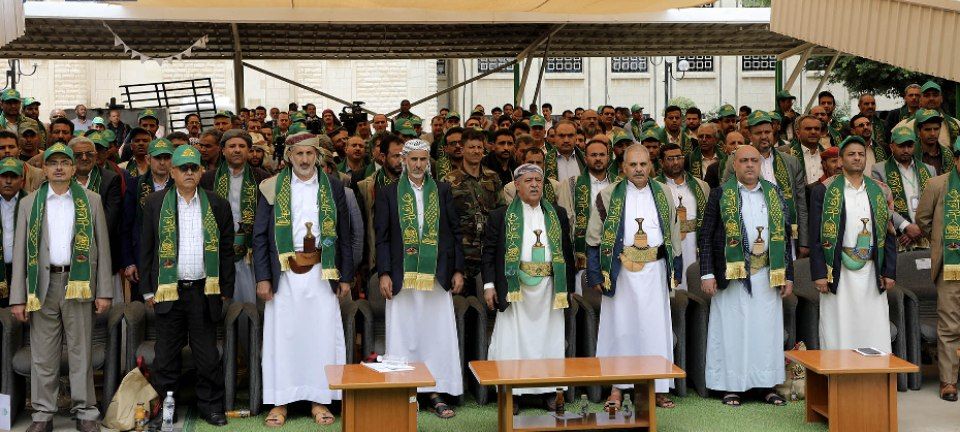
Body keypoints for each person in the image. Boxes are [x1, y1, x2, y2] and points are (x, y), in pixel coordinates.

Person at [252, 131, 354, 427]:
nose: (305, 159)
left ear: (317, 156)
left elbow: (344, 233)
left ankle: (320, 400)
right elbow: (260, 236)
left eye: (310, 154)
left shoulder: (333, 186)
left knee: (321, 337)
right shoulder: (271, 186)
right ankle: (280, 401)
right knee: (283, 339)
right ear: (289, 156)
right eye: (299, 154)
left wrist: (345, 276)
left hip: (323, 272)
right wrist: (263, 277)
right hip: (284, 275)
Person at [10, 143, 113, 432]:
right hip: (41, 286)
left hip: (79, 283)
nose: (58, 167)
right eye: (52, 162)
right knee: (43, 354)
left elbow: (103, 247)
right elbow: (20, 253)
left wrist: (104, 291)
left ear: (73, 168)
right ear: (43, 168)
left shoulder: (91, 200)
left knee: (81, 350)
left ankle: (85, 411)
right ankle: (43, 414)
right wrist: (18, 297)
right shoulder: (29, 203)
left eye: (64, 163)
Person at [139, 144, 235, 427]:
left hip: (204, 291)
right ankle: (165, 409)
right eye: (184, 168)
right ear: (173, 172)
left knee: (207, 355)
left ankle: (211, 407)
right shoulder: (155, 203)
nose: (189, 172)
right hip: (169, 290)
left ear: (202, 171)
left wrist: (225, 289)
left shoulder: (217, 204)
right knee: (166, 357)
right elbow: (147, 249)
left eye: (194, 167)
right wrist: (147, 290)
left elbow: (226, 250)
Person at [585, 144, 683, 409]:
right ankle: (617, 388)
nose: (639, 169)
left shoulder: (664, 192)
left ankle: (657, 387)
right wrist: (595, 273)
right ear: (623, 167)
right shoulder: (608, 195)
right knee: (621, 329)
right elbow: (593, 238)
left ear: (651, 166)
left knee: (654, 329)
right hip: (620, 273)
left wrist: (676, 268)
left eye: (643, 164)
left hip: (655, 271)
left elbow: (674, 234)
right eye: (633, 165)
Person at [375, 138, 464, 419]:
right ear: (403, 161)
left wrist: (458, 269)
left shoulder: (443, 190)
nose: (417, 164)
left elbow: (454, 233)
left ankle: (436, 391)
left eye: (423, 159)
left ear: (429, 162)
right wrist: (384, 273)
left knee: (436, 334)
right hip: (401, 277)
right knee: (404, 334)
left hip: (436, 276)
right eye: (413, 159)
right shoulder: (388, 193)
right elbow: (382, 237)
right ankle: (405, 389)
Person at [698, 145, 793, 407]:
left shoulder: (773, 193)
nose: (749, 165)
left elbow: (785, 237)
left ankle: (765, 386)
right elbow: (706, 235)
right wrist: (707, 273)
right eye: (744, 161)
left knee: (765, 332)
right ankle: (731, 386)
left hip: (767, 274)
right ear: (734, 165)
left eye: (754, 160)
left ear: (760, 164)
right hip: (732, 274)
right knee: (732, 331)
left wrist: (788, 275)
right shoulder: (720, 194)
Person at [482, 163, 574, 413]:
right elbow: (489, 253)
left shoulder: (557, 214)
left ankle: (549, 391)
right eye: (528, 181)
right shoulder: (500, 216)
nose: (534, 185)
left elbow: (566, 252)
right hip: (515, 289)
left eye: (538, 180)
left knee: (549, 340)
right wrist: (489, 285)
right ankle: (512, 392)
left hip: (549, 290)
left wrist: (568, 288)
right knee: (512, 341)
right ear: (516, 185)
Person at [810, 135, 896, 352]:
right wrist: (819, 273)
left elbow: (889, 233)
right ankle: (840, 370)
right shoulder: (824, 190)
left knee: (873, 327)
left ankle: (874, 371)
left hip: (871, 272)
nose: (857, 158)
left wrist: (889, 271)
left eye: (861, 154)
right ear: (840, 160)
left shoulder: (880, 190)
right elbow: (816, 236)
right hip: (839, 271)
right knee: (839, 327)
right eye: (851, 154)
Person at [724, 111, 808, 259]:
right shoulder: (735, 161)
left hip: (785, 235)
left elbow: (801, 204)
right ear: (749, 135)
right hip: (750, 235)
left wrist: (804, 242)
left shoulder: (791, 162)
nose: (764, 136)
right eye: (758, 133)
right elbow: (727, 197)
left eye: (767, 132)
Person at [200, 130, 270, 304]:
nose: (237, 150)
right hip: (218, 250)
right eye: (232, 146)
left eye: (242, 146)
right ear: (223, 150)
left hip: (251, 252)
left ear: (249, 150)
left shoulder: (263, 178)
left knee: (252, 305)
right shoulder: (207, 179)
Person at [915, 136, 960, 401]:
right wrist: (942, 242)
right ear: (955, 159)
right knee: (950, 325)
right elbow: (923, 219)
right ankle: (948, 381)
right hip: (951, 266)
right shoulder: (937, 184)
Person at [444, 128, 502, 291]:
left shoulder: (493, 178)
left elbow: (501, 212)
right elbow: (446, 222)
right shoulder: (449, 181)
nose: (476, 151)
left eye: (479, 147)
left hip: (489, 252)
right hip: (463, 253)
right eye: (471, 147)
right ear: (462, 149)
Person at [120, 138, 175, 300]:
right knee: (143, 308)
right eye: (158, 158)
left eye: (167, 157)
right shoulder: (134, 185)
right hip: (141, 259)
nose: (162, 162)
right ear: (148, 159)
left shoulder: (179, 186)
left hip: (174, 258)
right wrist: (129, 262)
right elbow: (125, 227)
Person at [871, 126, 935, 251]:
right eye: (901, 146)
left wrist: (921, 229)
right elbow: (879, 205)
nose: (906, 150)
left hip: (926, 236)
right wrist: (905, 226)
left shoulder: (929, 170)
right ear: (891, 146)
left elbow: (937, 204)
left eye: (909, 146)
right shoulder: (879, 170)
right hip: (898, 238)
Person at [562, 139, 612, 295]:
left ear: (608, 157)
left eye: (602, 155)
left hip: (613, 253)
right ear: (585, 158)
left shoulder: (619, 183)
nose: (598, 158)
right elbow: (566, 220)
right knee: (584, 300)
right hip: (582, 254)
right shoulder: (571, 184)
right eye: (593, 155)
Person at [658, 143, 710, 291]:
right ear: (661, 162)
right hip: (668, 247)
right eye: (670, 159)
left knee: (694, 288)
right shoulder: (655, 187)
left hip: (694, 247)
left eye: (679, 157)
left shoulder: (701, 186)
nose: (676, 162)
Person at [0, 157, 24, 307]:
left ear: (21, 180)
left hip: (22, 270)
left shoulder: (31, 202)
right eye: (3, 176)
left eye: (13, 177)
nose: (8, 181)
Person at [780, 115, 825, 184]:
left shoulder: (828, 155)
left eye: (817, 129)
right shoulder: (785, 154)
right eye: (808, 129)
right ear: (798, 133)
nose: (813, 132)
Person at [914, 108, 954, 175]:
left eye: (936, 129)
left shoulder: (948, 155)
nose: (932, 133)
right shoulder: (911, 153)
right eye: (927, 129)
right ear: (918, 131)